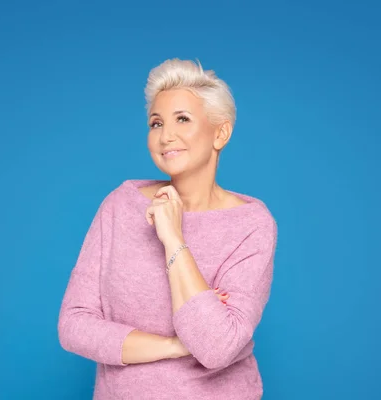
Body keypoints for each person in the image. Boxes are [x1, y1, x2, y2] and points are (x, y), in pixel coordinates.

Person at [57, 58, 278, 399]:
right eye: (156, 123)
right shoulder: (121, 205)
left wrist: (173, 237)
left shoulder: (251, 224)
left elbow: (216, 347)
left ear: (220, 133)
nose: (165, 136)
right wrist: (174, 346)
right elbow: (74, 326)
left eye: (183, 119)